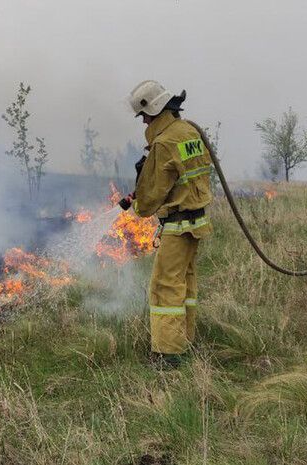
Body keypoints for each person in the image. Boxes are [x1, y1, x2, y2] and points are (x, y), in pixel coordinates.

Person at [119, 80, 213, 365]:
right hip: (196, 220)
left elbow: (148, 201)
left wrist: (138, 200)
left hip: (178, 224)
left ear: (156, 109)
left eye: (145, 116)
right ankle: (185, 339)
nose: (144, 121)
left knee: (164, 286)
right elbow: (187, 174)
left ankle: (168, 354)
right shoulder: (188, 131)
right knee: (185, 282)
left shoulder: (163, 142)